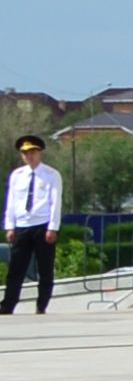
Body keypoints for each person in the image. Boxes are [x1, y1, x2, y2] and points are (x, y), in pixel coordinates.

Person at [4, 132, 59, 311]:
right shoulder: (17, 175)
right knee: (16, 268)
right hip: (22, 225)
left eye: (32, 152)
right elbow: (11, 202)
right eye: (25, 153)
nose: (29, 156)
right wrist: (10, 226)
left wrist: (52, 227)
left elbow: (55, 202)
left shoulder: (51, 174)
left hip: (42, 225)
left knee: (45, 269)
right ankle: (8, 305)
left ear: (39, 152)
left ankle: (41, 305)